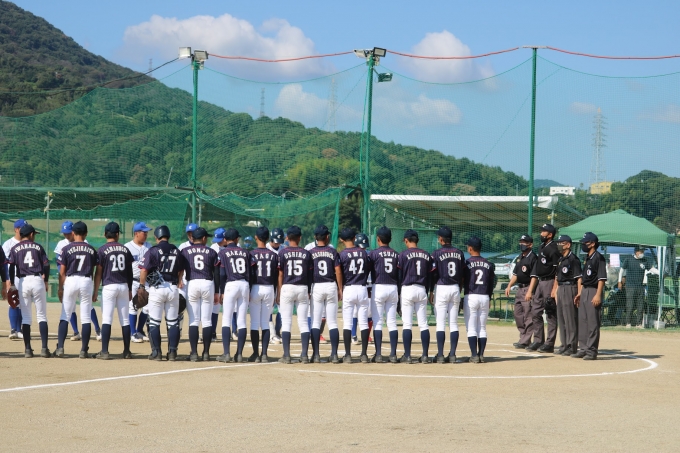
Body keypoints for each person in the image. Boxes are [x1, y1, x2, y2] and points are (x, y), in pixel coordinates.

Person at [139, 225, 185, 361]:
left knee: (153, 321)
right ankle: (172, 353)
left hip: (157, 288)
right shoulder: (176, 250)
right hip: (172, 288)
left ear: (157, 237)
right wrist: (179, 280)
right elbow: (181, 269)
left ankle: (156, 352)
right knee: (173, 322)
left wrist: (141, 286)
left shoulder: (153, 250)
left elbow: (144, 270)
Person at [55, 221, 99, 358]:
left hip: (71, 280)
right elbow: (95, 270)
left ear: (73, 233)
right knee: (85, 317)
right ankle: (84, 350)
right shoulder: (91, 249)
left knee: (65, 315)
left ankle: (60, 348)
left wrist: (60, 288)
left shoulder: (66, 248)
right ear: (86, 234)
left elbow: (62, 271)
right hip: (86, 280)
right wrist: (94, 289)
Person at [6, 224, 50, 358]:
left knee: (26, 317)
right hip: (37, 280)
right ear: (30, 234)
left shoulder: (15, 248)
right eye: (34, 234)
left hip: (23, 282)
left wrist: (12, 283)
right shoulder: (38, 247)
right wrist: (46, 280)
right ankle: (44, 349)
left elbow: (11, 267)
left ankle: (28, 350)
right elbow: (46, 264)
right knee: (41, 316)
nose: (34, 236)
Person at [92, 222, 134, 360]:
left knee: (107, 319)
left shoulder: (102, 250)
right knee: (125, 319)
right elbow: (130, 272)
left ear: (105, 234)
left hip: (109, 286)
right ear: (117, 234)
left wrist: (95, 291)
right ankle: (127, 351)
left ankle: (104, 351)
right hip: (123, 285)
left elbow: (98, 273)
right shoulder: (125, 249)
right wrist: (129, 289)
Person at [181, 227, 220, 362]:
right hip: (208, 283)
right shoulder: (212, 251)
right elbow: (216, 273)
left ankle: (193, 353)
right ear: (203, 238)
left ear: (192, 238)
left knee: (194, 320)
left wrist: (179, 280)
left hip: (192, 283)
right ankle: (206, 353)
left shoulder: (185, 251)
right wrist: (217, 291)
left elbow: (180, 268)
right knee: (207, 320)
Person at [276, 226, 313, 364]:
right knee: (303, 322)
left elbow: (280, 274)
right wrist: (308, 290)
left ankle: (286, 355)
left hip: (287, 286)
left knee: (286, 322)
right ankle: (304, 355)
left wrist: (279, 291)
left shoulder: (282, 253)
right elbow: (309, 274)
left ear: (287, 238)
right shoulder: (306, 253)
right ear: (300, 238)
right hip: (302, 287)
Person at [397, 229, 433, 364]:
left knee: (407, 324)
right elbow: (430, 275)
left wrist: (399, 293)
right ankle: (425, 356)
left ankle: (407, 356)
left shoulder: (403, 254)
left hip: (407, 288)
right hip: (422, 289)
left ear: (406, 240)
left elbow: (399, 276)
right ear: (417, 240)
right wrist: (428, 291)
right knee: (423, 324)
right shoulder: (426, 255)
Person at [430, 226, 465, 364]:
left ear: (441, 239)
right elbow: (462, 274)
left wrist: (431, 290)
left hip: (442, 287)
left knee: (440, 323)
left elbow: (433, 273)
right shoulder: (459, 252)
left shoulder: (437, 253)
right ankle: (452, 355)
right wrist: (459, 287)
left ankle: (440, 355)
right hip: (455, 287)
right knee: (453, 323)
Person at [309, 225, 342, 363]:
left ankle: (316, 355)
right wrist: (340, 288)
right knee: (332, 321)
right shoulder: (332, 251)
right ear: (327, 237)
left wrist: (309, 289)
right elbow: (338, 270)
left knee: (316, 322)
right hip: (330, 285)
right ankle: (334, 354)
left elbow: (309, 272)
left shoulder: (310, 252)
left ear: (315, 237)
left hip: (316, 286)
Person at [338, 228, 372, 363]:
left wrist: (340, 288)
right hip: (362, 288)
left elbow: (340, 272)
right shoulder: (364, 253)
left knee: (347, 323)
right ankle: (364, 355)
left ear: (342, 240)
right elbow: (368, 269)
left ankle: (348, 355)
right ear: (354, 238)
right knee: (363, 322)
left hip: (349, 288)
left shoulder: (342, 254)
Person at [216, 228, 250, 363]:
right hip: (244, 284)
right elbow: (250, 272)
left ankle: (226, 354)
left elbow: (222, 274)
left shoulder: (223, 252)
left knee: (226, 319)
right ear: (237, 239)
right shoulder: (245, 252)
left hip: (231, 284)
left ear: (225, 239)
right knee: (242, 320)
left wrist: (222, 291)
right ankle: (239, 354)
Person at [525, 223, 560, 353]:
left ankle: (549, 343)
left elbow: (557, 270)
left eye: (544, 231)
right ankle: (538, 340)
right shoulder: (541, 247)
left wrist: (554, 288)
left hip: (550, 281)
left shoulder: (554, 248)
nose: (541, 233)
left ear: (550, 234)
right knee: (535, 311)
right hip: (540, 281)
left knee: (550, 312)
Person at [368, 226, 399, 363]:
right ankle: (393, 355)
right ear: (390, 239)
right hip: (393, 287)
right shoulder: (396, 254)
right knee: (392, 322)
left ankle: (379, 354)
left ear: (378, 239)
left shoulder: (374, 253)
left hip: (379, 286)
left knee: (378, 321)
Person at [248, 227, 279, 363]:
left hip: (255, 287)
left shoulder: (251, 254)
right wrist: (276, 292)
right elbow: (277, 276)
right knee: (265, 322)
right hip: (269, 288)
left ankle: (256, 354)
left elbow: (249, 275)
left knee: (255, 323)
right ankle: (264, 354)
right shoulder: (274, 255)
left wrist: (248, 291)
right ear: (268, 238)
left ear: (256, 237)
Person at [573, 232, 606, 360]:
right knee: (583, 321)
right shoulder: (588, 257)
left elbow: (601, 278)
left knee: (592, 322)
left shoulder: (598, 258)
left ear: (592, 243)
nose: (583, 244)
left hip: (593, 290)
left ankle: (591, 351)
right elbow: (584, 278)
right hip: (585, 290)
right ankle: (583, 348)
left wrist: (598, 295)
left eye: (585, 242)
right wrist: (580, 293)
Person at [463, 237, 495, 363]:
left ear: (470, 248)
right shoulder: (488, 264)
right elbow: (491, 283)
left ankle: (474, 355)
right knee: (482, 327)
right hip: (485, 296)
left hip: (471, 295)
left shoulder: (467, 263)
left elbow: (463, 280)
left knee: (471, 328)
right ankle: (481, 355)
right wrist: (489, 297)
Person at [550, 235, 581, 356]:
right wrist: (555, 290)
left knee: (570, 318)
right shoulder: (560, 259)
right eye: (558, 243)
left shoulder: (573, 259)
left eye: (561, 243)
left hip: (570, 287)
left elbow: (579, 278)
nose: (559, 245)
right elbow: (557, 277)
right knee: (561, 317)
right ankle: (564, 344)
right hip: (561, 287)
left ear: (568, 245)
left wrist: (579, 293)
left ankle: (571, 345)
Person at [505, 234, 537, 349]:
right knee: (518, 314)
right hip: (519, 288)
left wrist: (530, 291)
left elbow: (534, 276)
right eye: (521, 242)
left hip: (528, 288)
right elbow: (516, 274)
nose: (522, 244)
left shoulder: (533, 257)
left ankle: (525, 340)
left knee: (528, 315)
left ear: (530, 244)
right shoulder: (520, 257)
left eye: (524, 242)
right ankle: (523, 337)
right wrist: (509, 286)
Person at [125, 221, 152, 343]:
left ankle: (140, 330)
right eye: (143, 232)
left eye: (146, 232)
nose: (146, 234)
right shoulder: (127, 247)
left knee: (148, 307)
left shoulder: (149, 246)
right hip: (133, 281)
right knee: (133, 307)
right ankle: (133, 333)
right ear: (136, 233)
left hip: (146, 281)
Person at [620, 246, 653, 328]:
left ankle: (639, 324)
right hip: (630, 286)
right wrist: (619, 281)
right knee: (630, 305)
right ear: (636, 252)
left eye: (643, 251)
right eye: (641, 251)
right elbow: (622, 270)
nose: (642, 253)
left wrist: (660, 273)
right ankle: (628, 323)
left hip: (640, 287)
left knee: (640, 306)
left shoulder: (645, 260)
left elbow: (652, 269)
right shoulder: (628, 259)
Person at [3, 219, 26, 340]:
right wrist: (7, 279)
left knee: (22, 304)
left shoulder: (27, 243)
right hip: (13, 277)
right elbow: (4, 264)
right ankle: (13, 329)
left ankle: (19, 329)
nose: (24, 230)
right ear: (16, 229)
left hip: (25, 277)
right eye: (22, 227)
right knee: (13, 302)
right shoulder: (8, 244)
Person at [266, 227, 285, 344]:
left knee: (282, 308)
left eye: (279, 241)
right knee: (268, 309)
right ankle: (271, 333)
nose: (277, 244)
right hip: (269, 282)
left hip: (281, 282)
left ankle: (277, 332)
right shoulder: (266, 248)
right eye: (275, 241)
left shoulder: (283, 249)